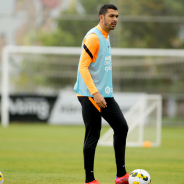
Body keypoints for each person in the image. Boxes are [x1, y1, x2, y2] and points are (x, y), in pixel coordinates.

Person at [74, 4, 129, 184]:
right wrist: (95, 93)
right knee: (93, 134)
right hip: (89, 94)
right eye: (111, 16)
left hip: (104, 94)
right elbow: (83, 67)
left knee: (122, 127)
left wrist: (102, 93)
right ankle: (89, 180)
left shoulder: (106, 36)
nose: (115, 19)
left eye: (117, 16)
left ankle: (121, 175)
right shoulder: (93, 37)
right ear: (101, 17)